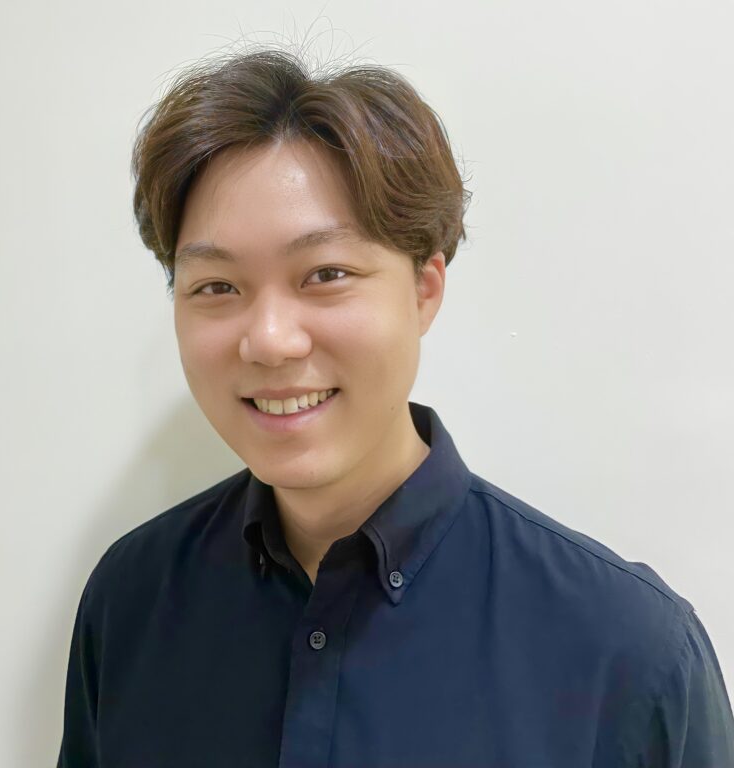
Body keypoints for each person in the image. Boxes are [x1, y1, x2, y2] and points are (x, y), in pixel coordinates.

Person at [57, 47, 734, 767]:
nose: (270, 340)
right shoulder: (131, 601)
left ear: (424, 290)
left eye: (326, 274)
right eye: (216, 287)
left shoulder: (628, 653)